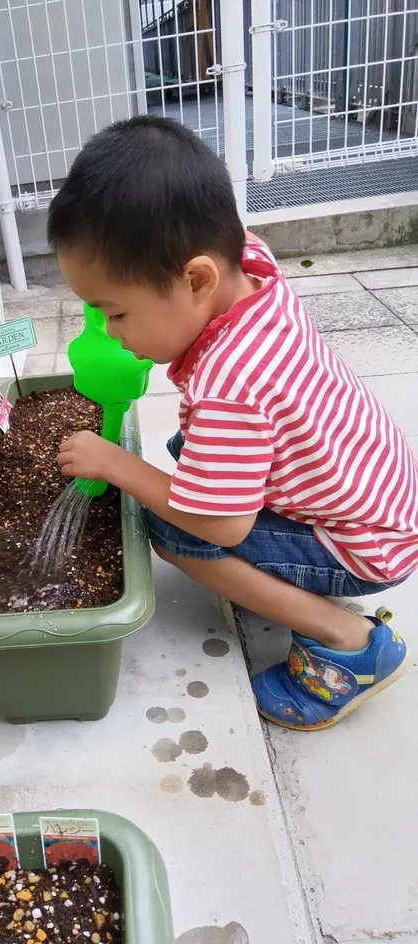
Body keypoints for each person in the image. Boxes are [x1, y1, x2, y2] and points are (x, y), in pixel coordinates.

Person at [48, 115, 416, 731]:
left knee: (175, 532)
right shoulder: (252, 265)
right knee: (188, 450)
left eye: (116, 314)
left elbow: (217, 520)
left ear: (196, 280)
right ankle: (288, 585)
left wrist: (117, 465)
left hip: (362, 545)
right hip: (377, 491)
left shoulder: (231, 385)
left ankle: (347, 641)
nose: (111, 333)